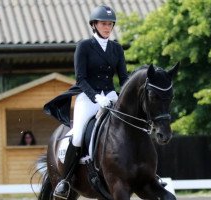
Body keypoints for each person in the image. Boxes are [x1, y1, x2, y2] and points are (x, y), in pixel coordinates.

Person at [44, 5, 128, 199]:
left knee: (131, 125)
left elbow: (124, 78)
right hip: (88, 98)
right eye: (104, 24)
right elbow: (80, 78)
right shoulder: (84, 46)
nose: (107, 27)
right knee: (78, 135)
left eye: (110, 24)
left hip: (111, 97)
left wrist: (123, 95)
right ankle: (65, 180)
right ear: (94, 25)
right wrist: (96, 97)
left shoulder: (116, 49)